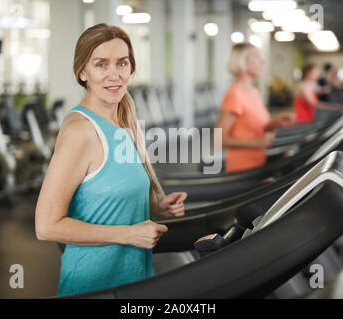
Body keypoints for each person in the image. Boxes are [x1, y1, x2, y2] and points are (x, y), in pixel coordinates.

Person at [35, 23, 187, 296]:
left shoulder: (123, 122)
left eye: (122, 63)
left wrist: (157, 204)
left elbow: (109, 196)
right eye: (101, 64)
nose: (114, 74)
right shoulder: (80, 131)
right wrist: (129, 234)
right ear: (83, 72)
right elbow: (46, 226)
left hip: (134, 279)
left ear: (131, 69)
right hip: (93, 285)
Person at [215, 43, 294, 173]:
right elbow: (219, 139)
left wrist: (276, 123)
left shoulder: (254, 92)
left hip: (259, 161)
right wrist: (257, 142)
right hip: (243, 168)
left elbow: (258, 129)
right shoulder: (234, 94)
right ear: (242, 61)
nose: (262, 61)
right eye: (257, 56)